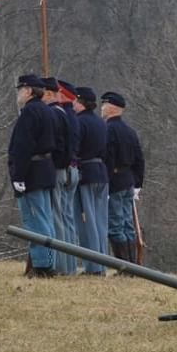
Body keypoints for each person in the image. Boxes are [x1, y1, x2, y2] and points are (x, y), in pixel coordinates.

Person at [9, 74, 58, 277]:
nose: (19, 94)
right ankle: (48, 262)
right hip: (45, 169)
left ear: (28, 90)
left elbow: (23, 146)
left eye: (21, 89)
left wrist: (18, 175)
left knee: (35, 221)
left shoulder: (29, 112)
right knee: (45, 219)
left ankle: (42, 265)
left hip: (32, 171)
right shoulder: (47, 111)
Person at [42, 77, 80, 275]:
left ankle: (62, 266)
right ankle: (69, 266)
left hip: (60, 169)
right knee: (66, 219)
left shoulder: (58, 114)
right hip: (70, 168)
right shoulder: (68, 115)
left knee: (58, 218)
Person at [101, 91, 145, 263]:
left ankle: (124, 265)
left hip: (116, 180)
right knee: (127, 225)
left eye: (104, 105)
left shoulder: (109, 129)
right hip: (129, 181)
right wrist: (137, 184)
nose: (102, 108)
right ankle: (131, 263)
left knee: (115, 225)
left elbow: (108, 159)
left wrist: (107, 183)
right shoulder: (130, 131)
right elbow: (139, 159)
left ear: (112, 108)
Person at [73, 86, 109, 274]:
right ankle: (101, 262)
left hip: (86, 172)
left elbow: (76, 148)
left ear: (80, 102)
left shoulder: (79, 122)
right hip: (101, 173)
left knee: (87, 223)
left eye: (75, 101)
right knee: (101, 221)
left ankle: (93, 266)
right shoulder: (101, 123)